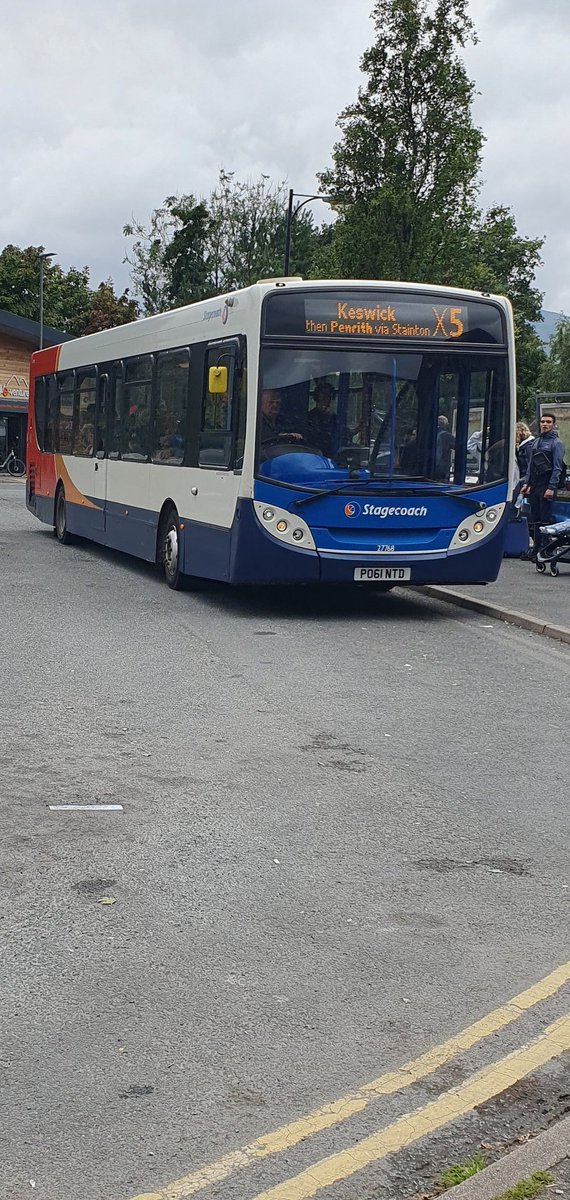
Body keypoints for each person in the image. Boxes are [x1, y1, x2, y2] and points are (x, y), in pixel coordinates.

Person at [520, 412, 565, 558]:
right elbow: (530, 465)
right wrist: (527, 483)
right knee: (535, 518)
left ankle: (545, 549)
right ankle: (536, 549)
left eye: (548, 422)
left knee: (545, 519)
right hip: (535, 485)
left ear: (553, 424)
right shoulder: (536, 442)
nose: (545, 424)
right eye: (543, 421)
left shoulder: (556, 443)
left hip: (546, 485)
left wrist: (551, 487)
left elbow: (557, 467)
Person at [305, 380, 336, 456]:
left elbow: (342, 433)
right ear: (317, 397)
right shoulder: (309, 417)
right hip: (314, 455)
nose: (326, 399)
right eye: (323, 396)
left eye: (329, 396)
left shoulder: (334, 417)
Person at [435, 415, 455, 479]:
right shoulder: (447, 435)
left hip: (430, 466)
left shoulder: (430, 433)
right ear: (445, 424)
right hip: (443, 467)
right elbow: (458, 447)